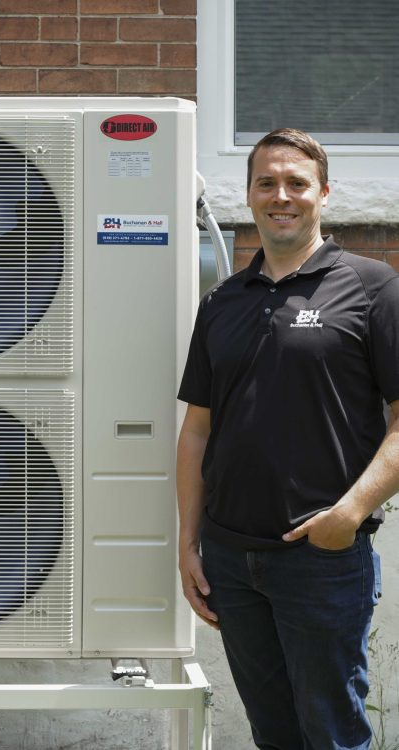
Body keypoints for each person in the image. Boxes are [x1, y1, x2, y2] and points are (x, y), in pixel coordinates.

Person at [177, 128, 399, 749]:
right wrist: (188, 542)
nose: (282, 195)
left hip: (322, 560)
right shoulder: (222, 301)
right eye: (266, 182)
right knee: (273, 734)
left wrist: (350, 513)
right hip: (230, 561)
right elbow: (197, 431)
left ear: (323, 194)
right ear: (247, 195)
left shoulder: (371, 286)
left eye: (297, 183)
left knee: (330, 734)